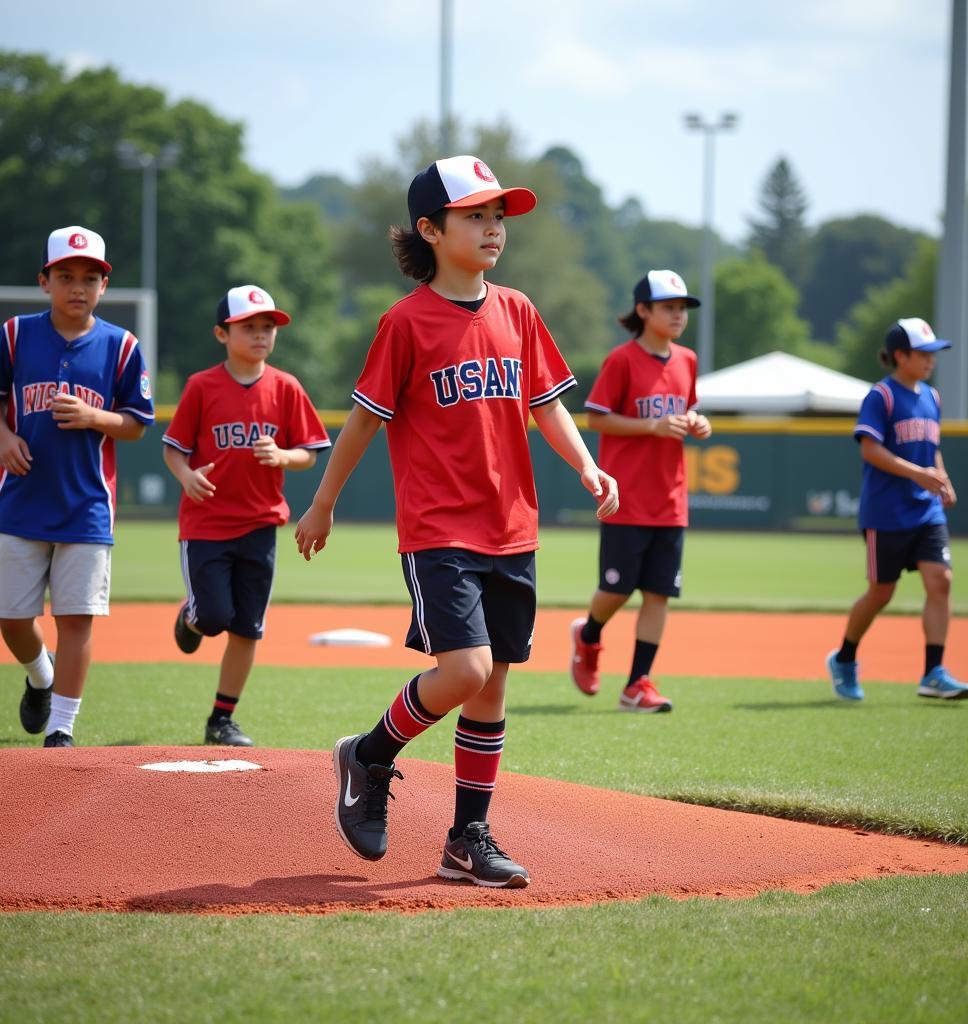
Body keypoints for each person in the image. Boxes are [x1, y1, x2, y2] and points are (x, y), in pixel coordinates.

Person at [295, 154, 618, 888]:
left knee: (493, 683)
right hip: (440, 529)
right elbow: (363, 423)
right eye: (476, 215)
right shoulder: (405, 323)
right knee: (464, 670)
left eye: (499, 215)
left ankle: (465, 839)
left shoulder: (518, 311)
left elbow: (547, 404)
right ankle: (370, 753)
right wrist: (323, 500)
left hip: (514, 526)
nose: (494, 227)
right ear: (430, 229)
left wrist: (585, 463)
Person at [0, 225, 155, 748]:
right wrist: (3, 435)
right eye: (65, 276)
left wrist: (94, 415)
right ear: (44, 281)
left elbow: (136, 423)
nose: (77, 286)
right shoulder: (16, 334)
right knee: (12, 618)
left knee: (77, 618)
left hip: (86, 505)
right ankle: (41, 673)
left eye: (89, 277)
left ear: (104, 286)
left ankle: (62, 726)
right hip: (21, 499)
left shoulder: (121, 346)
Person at [162, 285, 330, 746]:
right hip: (207, 524)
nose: (260, 334)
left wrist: (282, 455)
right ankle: (191, 617)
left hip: (260, 522)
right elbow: (174, 450)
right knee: (214, 615)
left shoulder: (286, 387)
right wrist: (186, 476)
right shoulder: (201, 386)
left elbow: (309, 454)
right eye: (248, 327)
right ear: (222, 333)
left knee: (247, 626)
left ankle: (221, 718)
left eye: (267, 327)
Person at [569, 270, 711, 712]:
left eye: (682, 308)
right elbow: (596, 417)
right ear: (643, 311)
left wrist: (699, 423)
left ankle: (637, 683)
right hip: (626, 496)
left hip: (671, 499)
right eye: (669, 307)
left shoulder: (686, 360)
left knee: (659, 592)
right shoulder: (622, 360)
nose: (678, 315)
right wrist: (650, 425)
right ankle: (589, 634)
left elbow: (688, 411)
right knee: (617, 589)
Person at [826, 318, 968, 703]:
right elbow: (869, 449)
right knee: (881, 593)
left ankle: (933, 673)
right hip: (886, 512)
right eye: (923, 354)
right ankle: (844, 658)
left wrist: (941, 477)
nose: (930, 361)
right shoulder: (882, 396)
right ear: (899, 356)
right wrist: (920, 474)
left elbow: (932, 447)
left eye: (933, 354)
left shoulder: (932, 397)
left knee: (941, 580)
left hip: (925, 510)